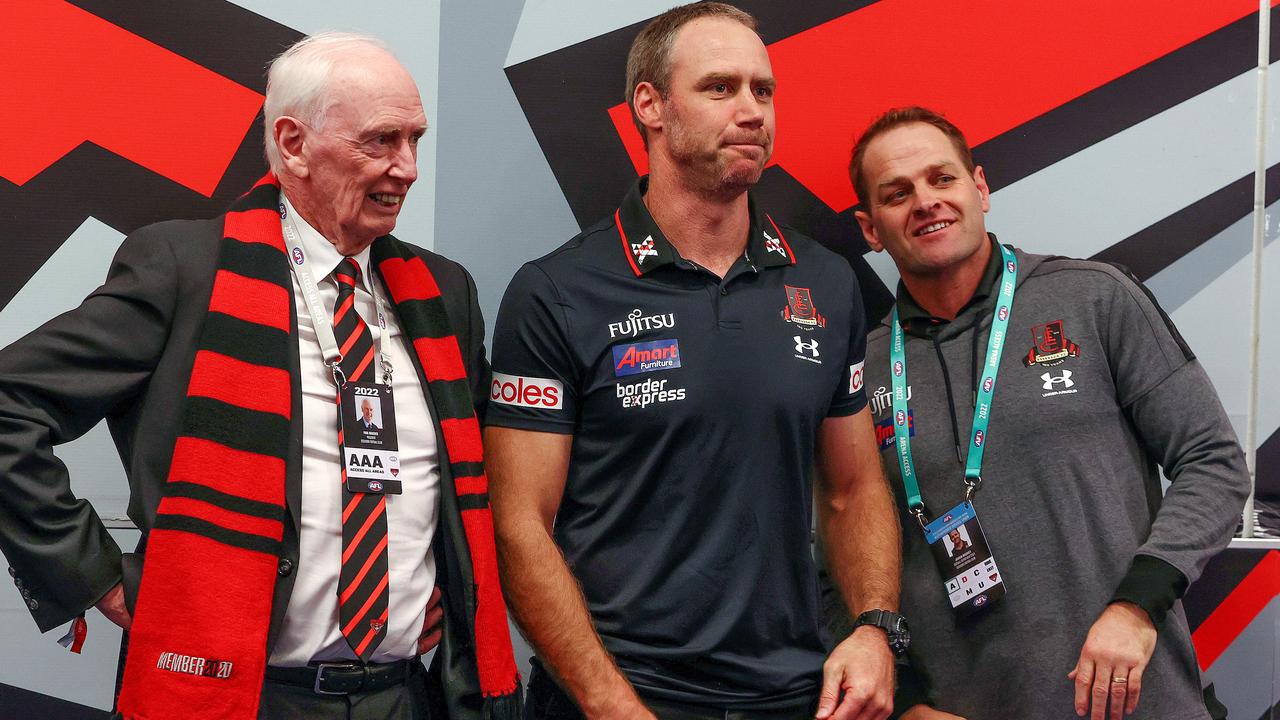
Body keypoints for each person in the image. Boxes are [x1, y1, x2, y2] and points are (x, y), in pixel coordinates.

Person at [0, 33, 520, 720]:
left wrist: (446, 585)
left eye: (416, 140)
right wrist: (91, 576)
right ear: (294, 143)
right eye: (381, 141)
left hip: (404, 696)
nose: (408, 167)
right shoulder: (186, 268)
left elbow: (472, 479)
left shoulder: (442, 293)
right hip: (240, 697)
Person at [485, 4, 903, 719]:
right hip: (620, 698)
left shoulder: (826, 283)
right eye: (720, 88)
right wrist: (608, 701)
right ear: (649, 104)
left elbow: (854, 488)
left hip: (796, 696)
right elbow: (520, 524)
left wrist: (874, 629)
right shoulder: (558, 291)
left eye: (762, 91)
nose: (750, 111)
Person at [824, 106, 1249, 720]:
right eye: (897, 193)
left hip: (1134, 703)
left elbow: (1213, 463)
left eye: (942, 179)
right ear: (870, 228)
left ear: (980, 187)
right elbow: (835, 556)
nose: (925, 201)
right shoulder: (859, 372)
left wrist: (1137, 606)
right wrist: (909, 702)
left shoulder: (1093, 298)